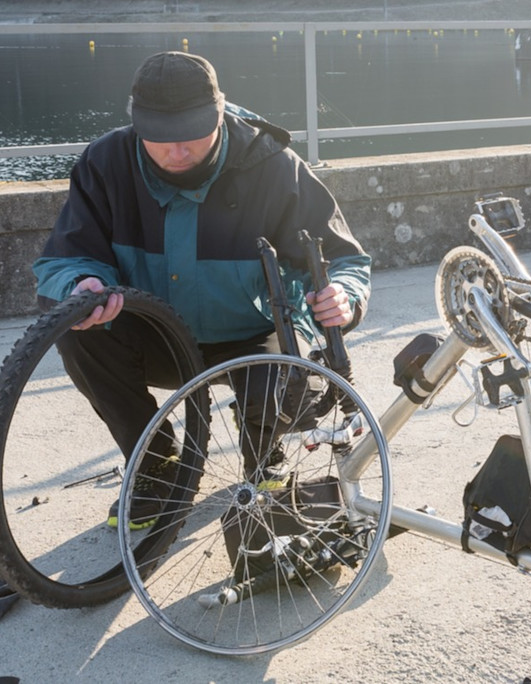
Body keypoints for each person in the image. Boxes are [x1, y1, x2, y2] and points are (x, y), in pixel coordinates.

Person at [32, 51, 370, 530]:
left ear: (220, 111)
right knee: (76, 328)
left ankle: (264, 450)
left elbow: (346, 258)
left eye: (193, 132)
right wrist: (80, 284)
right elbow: (65, 256)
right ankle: (155, 464)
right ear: (136, 121)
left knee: (288, 385)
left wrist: (343, 293)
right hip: (155, 339)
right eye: (161, 138)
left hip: (253, 336)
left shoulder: (274, 165)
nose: (177, 151)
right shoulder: (105, 161)